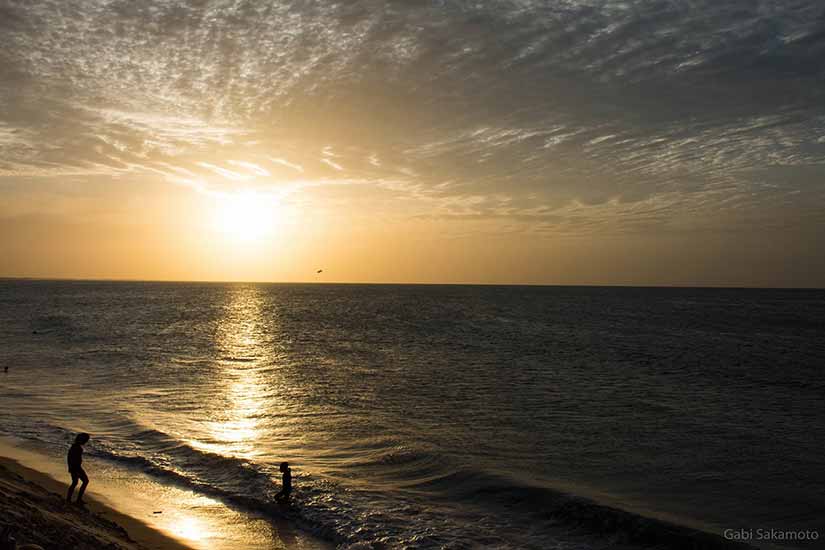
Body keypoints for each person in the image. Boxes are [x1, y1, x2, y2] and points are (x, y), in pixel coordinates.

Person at [66, 433, 90, 505]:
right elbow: (70, 458)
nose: (86, 442)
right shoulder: (76, 447)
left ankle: (71, 499)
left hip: (76, 467)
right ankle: (75, 499)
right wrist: (72, 468)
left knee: (76, 482)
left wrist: (70, 467)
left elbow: (69, 457)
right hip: (76, 467)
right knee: (83, 481)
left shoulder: (75, 446)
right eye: (85, 440)